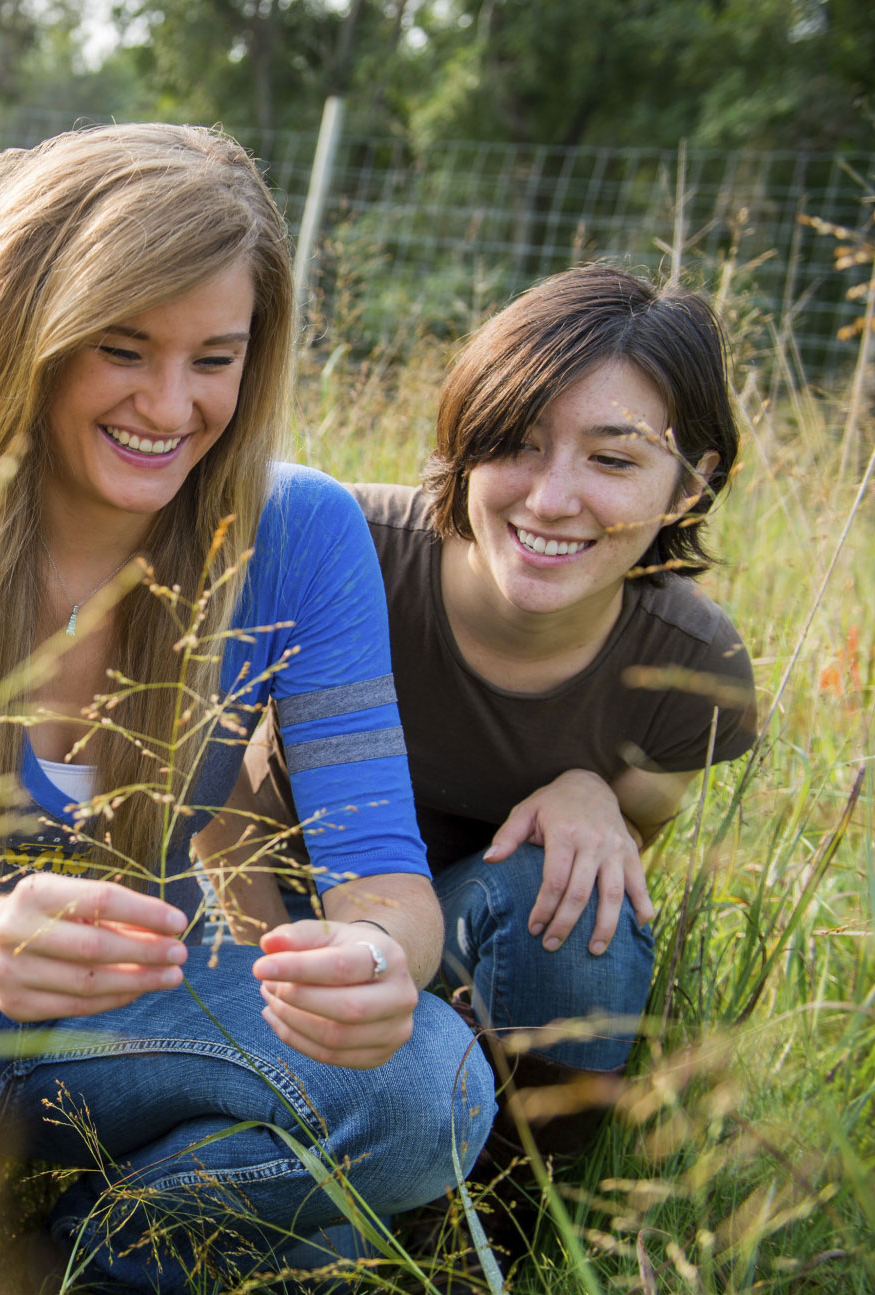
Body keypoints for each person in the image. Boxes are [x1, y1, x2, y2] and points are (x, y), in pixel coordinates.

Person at [0, 124, 496, 1295]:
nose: (171, 406)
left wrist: (378, 954)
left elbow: (382, 873)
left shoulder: (303, 533)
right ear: (28, 334)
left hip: (148, 988)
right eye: (123, 348)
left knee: (433, 1089)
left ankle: (102, 1253)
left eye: (215, 358)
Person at [199, 263, 756, 1256]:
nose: (551, 497)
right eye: (515, 442)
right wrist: (285, 969)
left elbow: (616, 873)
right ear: (462, 441)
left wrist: (595, 797)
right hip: (275, 946)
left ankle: (495, 1227)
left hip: (447, 948)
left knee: (580, 905)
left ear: (693, 482)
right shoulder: (342, 549)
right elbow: (213, 790)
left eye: (613, 460)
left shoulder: (687, 664)